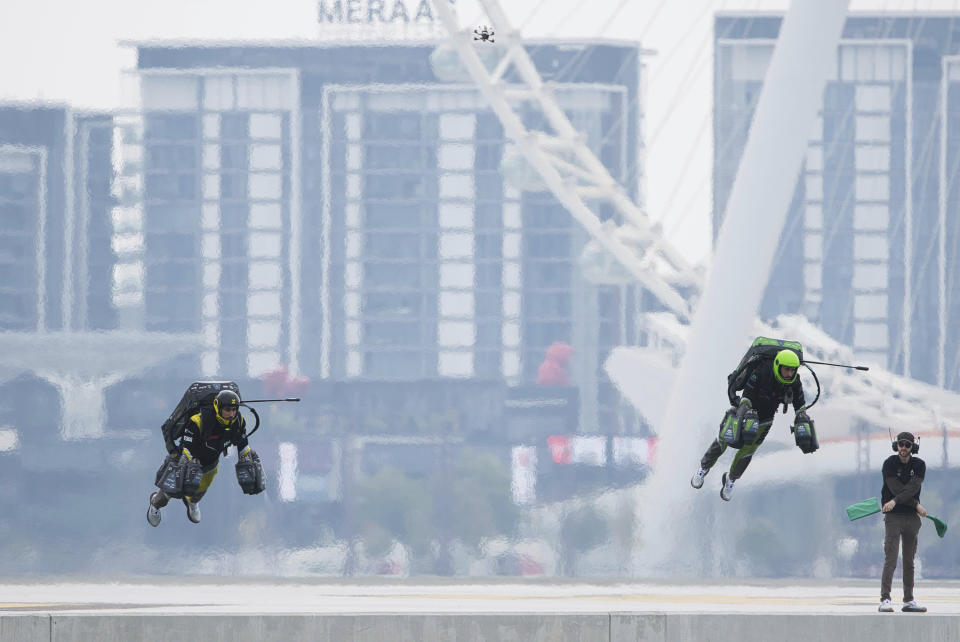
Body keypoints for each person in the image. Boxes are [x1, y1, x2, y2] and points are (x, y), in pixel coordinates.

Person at [690, 348, 808, 500]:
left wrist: (801, 416)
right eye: (787, 369)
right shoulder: (761, 372)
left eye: (793, 370)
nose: (790, 374)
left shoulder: (795, 381)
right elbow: (747, 396)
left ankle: (730, 480)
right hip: (744, 411)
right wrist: (744, 412)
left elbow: (800, 404)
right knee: (724, 438)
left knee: (748, 451)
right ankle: (703, 468)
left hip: (766, 419)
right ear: (778, 365)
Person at [147, 389, 258, 526]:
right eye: (228, 410)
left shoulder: (238, 421)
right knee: (169, 493)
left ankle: (192, 503)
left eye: (234, 410)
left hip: (210, 463)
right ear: (218, 407)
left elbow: (243, 445)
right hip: (187, 459)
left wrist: (247, 461)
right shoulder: (199, 421)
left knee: (198, 492)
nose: (231, 414)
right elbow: (187, 448)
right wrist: (183, 468)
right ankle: (154, 505)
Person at [879, 431, 927, 613]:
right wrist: (917, 505)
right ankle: (885, 599)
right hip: (893, 517)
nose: (903, 448)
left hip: (912, 519)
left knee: (909, 561)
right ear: (896, 445)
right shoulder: (889, 464)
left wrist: (905, 503)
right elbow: (895, 488)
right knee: (890, 559)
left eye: (907, 445)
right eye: (901, 444)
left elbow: (912, 488)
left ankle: (908, 600)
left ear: (912, 447)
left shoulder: (919, 465)